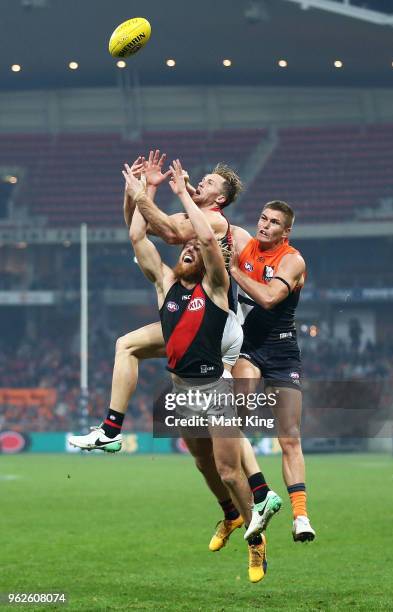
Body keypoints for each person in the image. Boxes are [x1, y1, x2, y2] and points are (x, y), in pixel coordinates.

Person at [69, 152, 281, 550]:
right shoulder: (190, 231)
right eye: (199, 181)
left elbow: (165, 230)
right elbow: (139, 232)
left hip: (220, 326)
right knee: (130, 347)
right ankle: (112, 430)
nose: (200, 183)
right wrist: (138, 190)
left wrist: (159, 192)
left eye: (209, 184)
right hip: (195, 330)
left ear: (220, 198)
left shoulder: (214, 222)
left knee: (225, 436)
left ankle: (260, 494)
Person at [130, 159, 265, 582]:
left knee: (228, 470)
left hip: (215, 389)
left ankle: (257, 543)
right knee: (203, 465)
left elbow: (206, 237)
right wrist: (141, 190)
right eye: (182, 251)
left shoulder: (217, 288)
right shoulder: (166, 285)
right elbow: (138, 234)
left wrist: (183, 193)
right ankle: (230, 516)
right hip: (181, 392)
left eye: (193, 251)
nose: (186, 251)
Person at [229, 200, 316, 543]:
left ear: (286, 231)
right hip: (247, 348)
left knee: (290, 436)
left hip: (282, 352)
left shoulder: (293, 260)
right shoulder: (243, 242)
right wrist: (187, 192)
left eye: (274, 222)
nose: (264, 225)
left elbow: (268, 298)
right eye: (263, 218)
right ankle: (256, 498)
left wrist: (234, 270)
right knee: (236, 417)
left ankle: (301, 516)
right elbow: (209, 223)